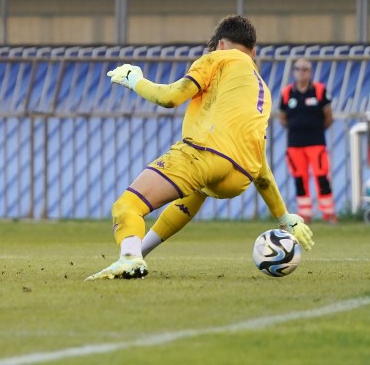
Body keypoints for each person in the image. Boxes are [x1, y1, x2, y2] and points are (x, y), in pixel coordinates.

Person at [86, 15, 314, 281]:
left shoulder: (218, 58)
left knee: (127, 206)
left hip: (206, 155)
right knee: (195, 190)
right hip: (239, 178)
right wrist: (285, 218)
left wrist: (134, 80)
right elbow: (261, 168)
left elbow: (170, 97)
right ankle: (139, 254)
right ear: (253, 52)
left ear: (219, 44)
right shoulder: (262, 90)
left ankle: (128, 258)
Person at [278, 58, 337, 224]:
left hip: (316, 142)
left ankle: (329, 212)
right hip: (295, 144)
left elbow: (329, 116)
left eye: (305, 69)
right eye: (298, 69)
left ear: (310, 72)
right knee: (299, 178)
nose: (301, 72)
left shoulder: (319, 90)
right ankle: (305, 214)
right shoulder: (287, 93)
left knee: (321, 177)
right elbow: (282, 117)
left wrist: (316, 130)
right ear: (293, 72)